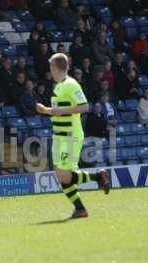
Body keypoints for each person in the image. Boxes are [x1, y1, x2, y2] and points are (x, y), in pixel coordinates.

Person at [35, 53, 110, 219]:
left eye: (51, 67)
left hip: (70, 135)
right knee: (59, 174)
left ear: (55, 68)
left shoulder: (71, 84)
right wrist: (46, 110)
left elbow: (84, 107)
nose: (50, 70)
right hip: (59, 135)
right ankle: (80, 209)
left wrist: (57, 111)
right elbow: (59, 111)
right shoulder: (59, 86)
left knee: (64, 175)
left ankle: (97, 177)